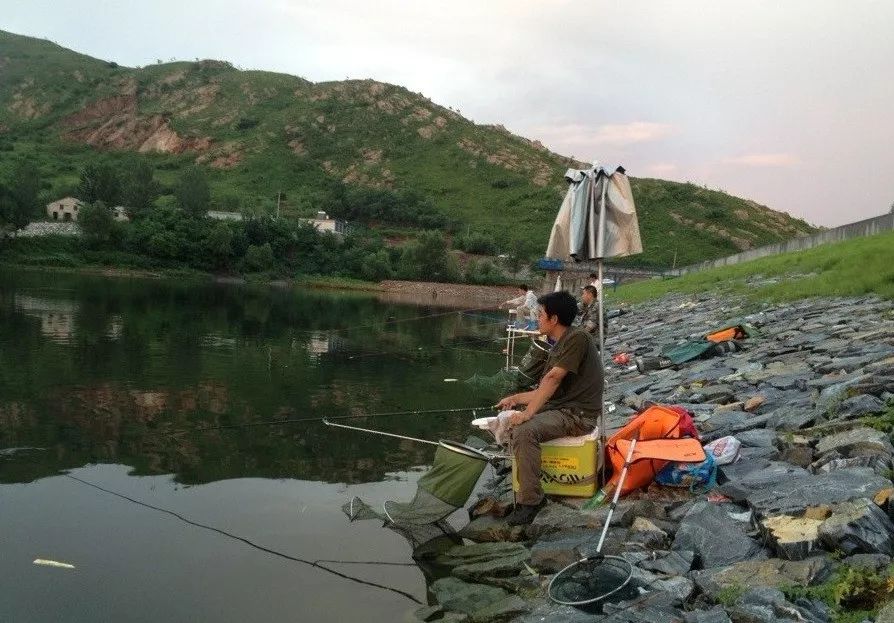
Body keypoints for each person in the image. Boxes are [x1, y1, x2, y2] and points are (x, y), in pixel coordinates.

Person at [496, 291, 604, 525]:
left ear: (554, 319)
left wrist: (527, 414)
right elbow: (546, 390)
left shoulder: (578, 338)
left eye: (540, 314)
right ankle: (528, 484)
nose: (537, 318)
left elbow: (553, 379)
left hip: (577, 415)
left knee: (525, 431)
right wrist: (515, 399)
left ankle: (531, 502)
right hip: (563, 408)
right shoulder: (560, 343)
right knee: (512, 419)